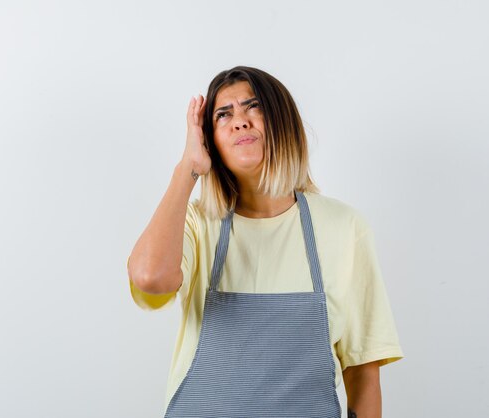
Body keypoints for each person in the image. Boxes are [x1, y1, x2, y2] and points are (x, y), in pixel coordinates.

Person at [127, 66, 403, 418]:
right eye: (222, 115)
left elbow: (363, 371)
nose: (238, 121)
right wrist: (187, 168)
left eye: (252, 106)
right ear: (210, 140)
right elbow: (150, 278)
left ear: (282, 120)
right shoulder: (197, 224)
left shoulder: (344, 227)